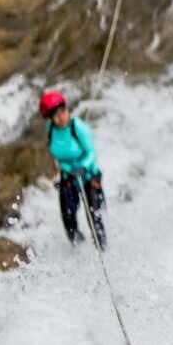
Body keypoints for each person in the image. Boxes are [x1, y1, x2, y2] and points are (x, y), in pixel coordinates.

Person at [39, 91, 107, 250]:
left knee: (94, 218)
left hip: (88, 177)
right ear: (49, 118)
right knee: (68, 221)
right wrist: (67, 170)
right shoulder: (50, 130)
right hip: (68, 179)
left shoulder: (78, 127)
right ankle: (79, 250)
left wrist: (82, 166)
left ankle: (103, 250)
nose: (60, 117)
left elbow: (91, 152)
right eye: (55, 114)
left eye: (62, 110)